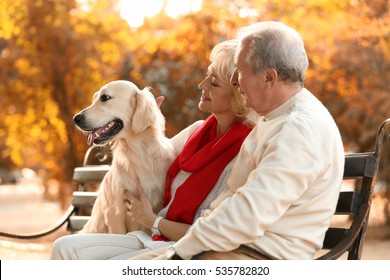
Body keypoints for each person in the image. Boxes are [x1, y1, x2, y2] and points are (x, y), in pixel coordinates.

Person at [130, 21, 345, 260]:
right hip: (229, 248)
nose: (234, 80)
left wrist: (178, 253)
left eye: (240, 71)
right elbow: (231, 200)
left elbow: (247, 215)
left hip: (259, 258)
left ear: (269, 77)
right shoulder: (274, 118)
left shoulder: (298, 129)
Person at [50, 39, 256, 260]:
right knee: (62, 247)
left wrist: (152, 220)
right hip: (153, 237)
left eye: (213, 82)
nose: (202, 85)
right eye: (207, 76)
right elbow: (153, 153)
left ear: (238, 93)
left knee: (105, 264)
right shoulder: (196, 131)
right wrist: (142, 111)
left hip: (184, 246)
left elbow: (212, 232)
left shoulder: (245, 151)